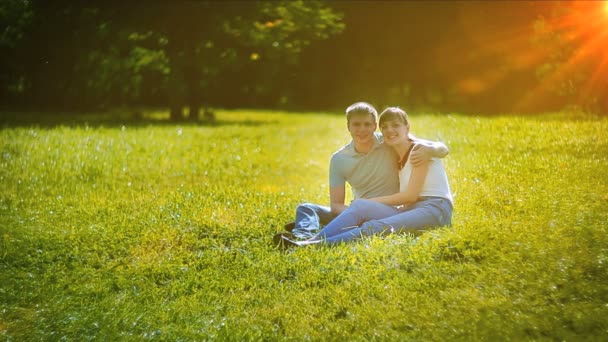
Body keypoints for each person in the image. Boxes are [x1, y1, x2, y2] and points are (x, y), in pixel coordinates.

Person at [274, 102, 449, 245]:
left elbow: (428, 146)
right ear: (348, 126)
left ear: (374, 127)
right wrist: (356, 211)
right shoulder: (340, 158)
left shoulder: (393, 144)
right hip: (366, 208)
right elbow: (335, 205)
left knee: (369, 221)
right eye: (356, 124)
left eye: (367, 124)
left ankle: (313, 241)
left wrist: (433, 149)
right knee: (307, 208)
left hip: (401, 206)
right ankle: (304, 236)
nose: (362, 129)